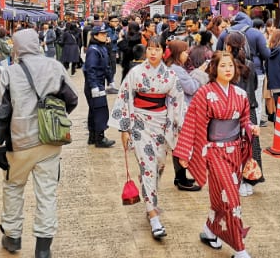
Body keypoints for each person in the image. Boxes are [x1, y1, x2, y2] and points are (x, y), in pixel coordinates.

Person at [0, 28, 79, 258]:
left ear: (17, 47)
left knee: (13, 187)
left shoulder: (10, 72)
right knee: (47, 193)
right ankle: (42, 248)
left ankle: (12, 237)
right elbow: (72, 98)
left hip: (18, 143)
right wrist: (55, 117)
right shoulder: (55, 66)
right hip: (50, 142)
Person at [173, 50, 259, 258]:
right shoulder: (205, 93)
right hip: (213, 151)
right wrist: (185, 152)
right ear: (213, 68)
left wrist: (251, 128)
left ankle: (210, 230)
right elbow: (193, 122)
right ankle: (239, 248)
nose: (228, 69)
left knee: (220, 197)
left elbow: (244, 121)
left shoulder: (240, 94)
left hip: (235, 151)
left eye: (231, 65)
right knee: (231, 198)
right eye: (223, 66)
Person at [109, 36, 185, 240]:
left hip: (161, 124)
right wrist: (124, 129)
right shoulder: (135, 73)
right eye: (150, 49)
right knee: (147, 166)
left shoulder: (169, 75)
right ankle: (153, 215)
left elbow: (178, 101)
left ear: (163, 52)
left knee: (158, 165)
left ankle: (150, 196)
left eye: (157, 49)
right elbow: (124, 99)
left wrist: (181, 127)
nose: (152, 53)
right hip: (139, 124)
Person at [224, 31, 263, 197]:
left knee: (233, 147)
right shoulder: (250, 63)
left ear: (228, 46)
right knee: (251, 147)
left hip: (232, 110)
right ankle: (250, 180)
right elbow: (253, 87)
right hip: (250, 109)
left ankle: (237, 181)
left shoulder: (226, 65)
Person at [163, 39, 203, 191]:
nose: (187, 54)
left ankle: (180, 176)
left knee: (177, 144)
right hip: (178, 111)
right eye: (185, 52)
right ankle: (181, 179)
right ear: (178, 53)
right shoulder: (177, 69)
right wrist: (198, 75)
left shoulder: (171, 67)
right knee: (181, 145)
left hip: (174, 110)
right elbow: (192, 87)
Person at [83, 24, 116, 148]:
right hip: (95, 84)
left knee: (94, 111)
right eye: (102, 34)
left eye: (105, 34)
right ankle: (100, 138)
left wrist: (110, 79)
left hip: (99, 83)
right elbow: (90, 69)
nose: (105, 36)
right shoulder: (93, 50)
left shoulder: (102, 47)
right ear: (95, 36)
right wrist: (94, 86)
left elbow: (106, 66)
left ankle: (93, 137)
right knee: (100, 111)